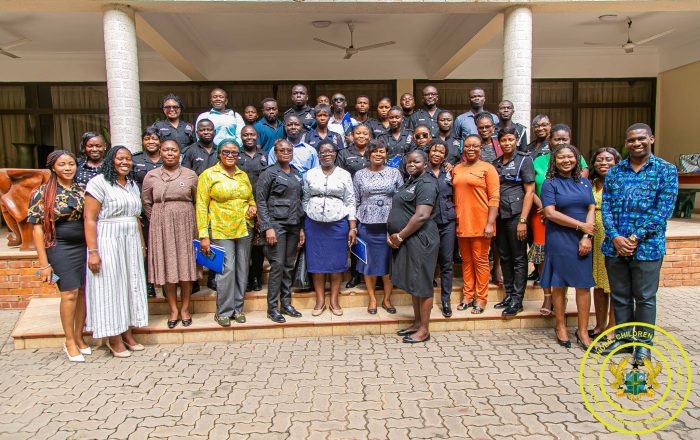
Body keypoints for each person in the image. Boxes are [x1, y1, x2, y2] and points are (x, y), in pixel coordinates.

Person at [601, 123, 678, 362]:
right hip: (615, 246)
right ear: (626, 143)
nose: (636, 143)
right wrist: (615, 236)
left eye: (641, 139)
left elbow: (664, 210)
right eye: (632, 140)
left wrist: (635, 237)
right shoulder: (615, 172)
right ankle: (624, 341)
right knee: (620, 295)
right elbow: (606, 207)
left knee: (644, 298)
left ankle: (643, 345)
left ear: (651, 139)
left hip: (647, 247)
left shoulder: (666, 170)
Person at [84, 146, 148, 358]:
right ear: (111, 160)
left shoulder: (131, 184)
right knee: (111, 286)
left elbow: (136, 217)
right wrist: (93, 251)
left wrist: (141, 245)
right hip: (108, 240)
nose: (125, 162)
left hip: (130, 241)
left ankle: (127, 332)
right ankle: (113, 338)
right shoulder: (98, 183)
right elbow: (89, 219)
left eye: (128, 159)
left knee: (129, 285)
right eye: (120, 158)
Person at [28, 150, 90, 362]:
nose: (68, 168)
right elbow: (37, 229)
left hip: (83, 245)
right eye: (62, 164)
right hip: (60, 247)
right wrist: (44, 264)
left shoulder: (82, 189)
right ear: (53, 167)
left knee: (82, 292)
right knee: (69, 292)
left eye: (71, 163)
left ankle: (79, 337)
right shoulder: (42, 192)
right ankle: (69, 341)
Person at [540, 144, 595, 350]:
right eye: (561, 157)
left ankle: (582, 331)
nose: (566, 160)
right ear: (554, 161)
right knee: (559, 282)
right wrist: (581, 225)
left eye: (570, 157)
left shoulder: (585, 183)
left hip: (582, 238)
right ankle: (560, 326)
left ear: (577, 159)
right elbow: (550, 213)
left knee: (583, 284)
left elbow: (591, 208)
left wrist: (587, 235)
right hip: (559, 238)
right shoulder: (550, 183)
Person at [196, 139, 257, 327]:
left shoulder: (242, 175)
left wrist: (252, 207)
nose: (230, 155)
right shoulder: (208, 175)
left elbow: (250, 198)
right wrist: (203, 235)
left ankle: (238, 309)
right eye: (226, 152)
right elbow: (201, 206)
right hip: (221, 228)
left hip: (244, 227)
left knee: (242, 268)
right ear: (219, 154)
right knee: (227, 269)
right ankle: (223, 311)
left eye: (234, 152)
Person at [531, 123, 589, 314]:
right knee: (543, 256)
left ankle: (561, 296)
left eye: (565, 139)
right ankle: (548, 297)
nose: (561, 142)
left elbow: (580, 187)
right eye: (557, 139)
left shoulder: (577, 159)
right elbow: (531, 188)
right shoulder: (538, 161)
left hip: (570, 215)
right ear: (549, 140)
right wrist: (544, 207)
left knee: (567, 255)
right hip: (542, 213)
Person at [141, 140, 198, 329]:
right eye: (166, 150)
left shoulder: (190, 175)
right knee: (168, 266)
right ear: (160, 153)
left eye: (174, 150)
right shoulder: (151, 176)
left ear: (180, 153)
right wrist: (159, 219)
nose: (170, 153)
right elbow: (146, 202)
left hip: (185, 223)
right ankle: (173, 309)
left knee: (185, 266)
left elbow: (197, 200)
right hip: (161, 225)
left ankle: (185, 308)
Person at [388, 150, 439, 343]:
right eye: (409, 162)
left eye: (416, 162)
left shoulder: (427, 183)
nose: (411, 164)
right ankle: (417, 323)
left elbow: (422, 216)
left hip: (421, 239)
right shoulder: (410, 182)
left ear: (425, 164)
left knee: (422, 284)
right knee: (414, 282)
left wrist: (400, 236)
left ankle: (424, 330)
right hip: (409, 239)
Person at [302, 140, 357, 317]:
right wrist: (303, 222)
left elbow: (350, 201)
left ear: (335, 154)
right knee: (316, 263)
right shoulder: (310, 174)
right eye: (323, 151)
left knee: (337, 263)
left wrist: (352, 227)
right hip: (314, 225)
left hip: (337, 224)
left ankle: (334, 300)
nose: (326, 154)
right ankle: (320, 300)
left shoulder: (344, 175)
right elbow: (305, 198)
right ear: (318, 155)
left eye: (330, 151)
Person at [256, 139, 305, 323]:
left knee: (288, 265)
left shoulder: (296, 173)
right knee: (277, 265)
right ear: (275, 153)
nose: (285, 153)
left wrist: (301, 228)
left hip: (293, 225)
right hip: (276, 225)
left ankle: (286, 303)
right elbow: (261, 201)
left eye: (288, 150)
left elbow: (299, 201)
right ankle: (272, 308)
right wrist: (267, 227)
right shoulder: (269, 173)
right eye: (281, 150)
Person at [353, 139, 403, 314]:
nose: (378, 154)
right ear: (368, 154)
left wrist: (398, 224)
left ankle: (387, 299)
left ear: (386, 154)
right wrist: (354, 225)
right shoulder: (359, 174)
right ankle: (372, 298)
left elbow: (401, 199)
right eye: (375, 151)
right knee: (368, 262)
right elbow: (355, 200)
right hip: (366, 225)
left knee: (388, 262)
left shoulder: (395, 173)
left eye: (382, 151)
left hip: (389, 226)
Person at [453, 135, 500, 314]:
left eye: (475, 146)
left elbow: (494, 198)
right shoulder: (457, 168)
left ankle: (481, 299)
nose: (471, 149)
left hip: (481, 223)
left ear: (481, 148)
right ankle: (467, 296)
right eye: (467, 146)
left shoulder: (488, 168)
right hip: (462, 222)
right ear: (463, 148)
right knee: (466, 261)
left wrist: (490, 223)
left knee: (480, 261)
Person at [491, 127, 535, 317]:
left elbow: (530, 191)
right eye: (504, 140)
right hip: (500, 215)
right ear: (499, 142)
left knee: (518, 257)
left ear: (516, 140)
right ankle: (508, 295)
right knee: (505, 256)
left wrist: (523, 220)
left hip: (517, 215)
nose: (507, 143)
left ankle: (517, 300)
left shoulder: (524, 160)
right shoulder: (496, 163)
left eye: (510, 139)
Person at [588, 147, 622, 340]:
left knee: (613, 283)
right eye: (600, 160)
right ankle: (600, 325)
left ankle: (613, 327)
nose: (604, 163)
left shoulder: (621, 182)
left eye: (609, 160)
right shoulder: (591, 183)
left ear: (617, 162)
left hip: (613, 236)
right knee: (598, 284)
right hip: (594, 238)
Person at [425, 141, 457, 318]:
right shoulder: (422, 170)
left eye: (441, 151)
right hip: (428, 222)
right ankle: (426, 300)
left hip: (447, 221)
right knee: (428, 260)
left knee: (446, 262)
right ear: (428, 152)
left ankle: (446, 300)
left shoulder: (450, 172)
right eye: (434, 150)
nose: (437, 154)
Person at [132, 126, 163, 298]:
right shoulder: (135, 160)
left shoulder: (167, 158)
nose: (151, 142)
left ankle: (165, 283)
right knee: (145, 249)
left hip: (163, 212)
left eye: (154, 138)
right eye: (147, 139)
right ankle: (148, 285)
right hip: (143, 213)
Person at [237, 125, 268, 292]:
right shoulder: (236, 154)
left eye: (252, 134)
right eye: (245, 135)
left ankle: (256, 277)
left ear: (257, 136)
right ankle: (246, 278)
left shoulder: (265, 155)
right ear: (241, 136)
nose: (249, 137)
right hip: (241, 206)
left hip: (261, 205)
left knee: (259, 245)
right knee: (244, 244)